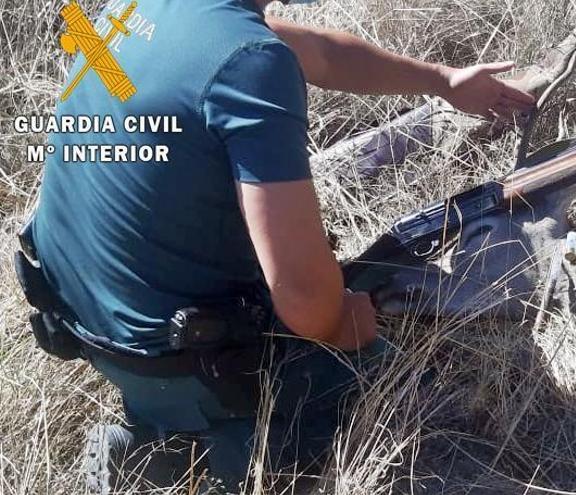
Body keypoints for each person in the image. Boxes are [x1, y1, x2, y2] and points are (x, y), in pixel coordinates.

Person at [27, 0, 534, 490]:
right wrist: (345, 323)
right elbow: (307, 304)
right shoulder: (248, 65)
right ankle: (213, 461)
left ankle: (153, 431)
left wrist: (443, 81)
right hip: (181, 359)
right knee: (386, 380)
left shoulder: (150, 9)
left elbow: (322, 54)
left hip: (79, 324)